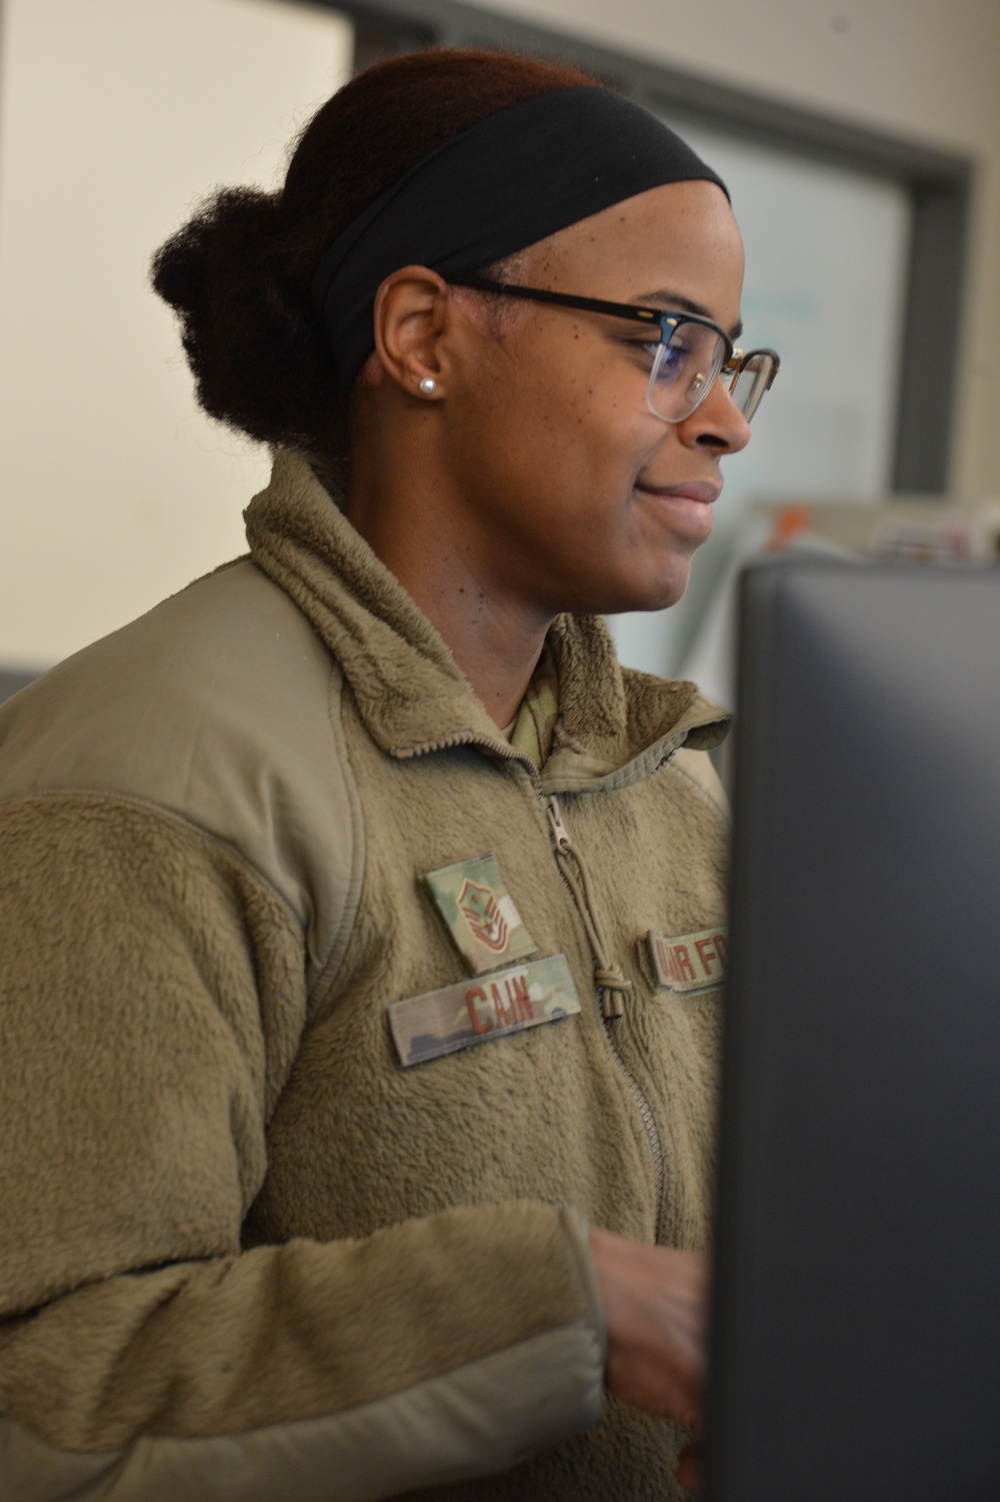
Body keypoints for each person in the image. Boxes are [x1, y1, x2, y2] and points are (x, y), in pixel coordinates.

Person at [0, 48, 778, 1502]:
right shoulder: (153, 780)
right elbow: (43, 1378)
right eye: (666, 340)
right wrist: (573, 1312)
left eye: (733, 358)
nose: (727, 416)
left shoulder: (676, 784)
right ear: (421, 333)